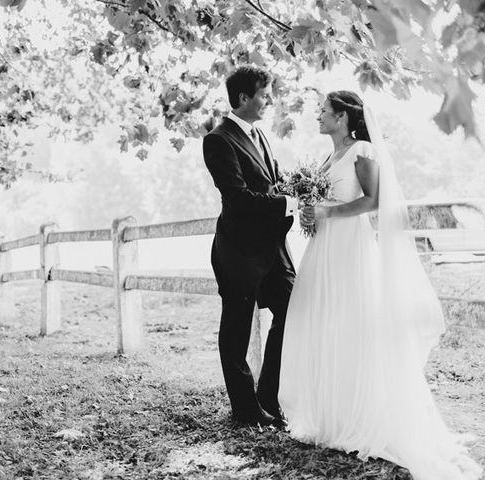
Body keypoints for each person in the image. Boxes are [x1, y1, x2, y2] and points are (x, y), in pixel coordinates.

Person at [278, 90, 483, 479]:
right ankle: (331, 414)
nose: (318, 116)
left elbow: (373, 201)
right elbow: (324, 199)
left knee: (352, 323)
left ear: (342, 117)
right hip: (323, 247)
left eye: (324, 111)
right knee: (326, 322)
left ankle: (365, 415)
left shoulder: (363, 153)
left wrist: (327, 211)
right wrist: (309, 210)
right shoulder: (328, 156)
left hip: (349, 246)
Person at [202, 66, 299, 428]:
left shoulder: (260, 135)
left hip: (273, 251)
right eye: (263, 94)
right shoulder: (218, 140)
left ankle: (267, 398)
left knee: (294, 314)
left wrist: (297, 190)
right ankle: (245, 410)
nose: (269, 101)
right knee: (236, 333)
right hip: (239, 253)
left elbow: (271, 182)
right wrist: (286, 203)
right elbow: (239, 199)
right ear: (243, 98)